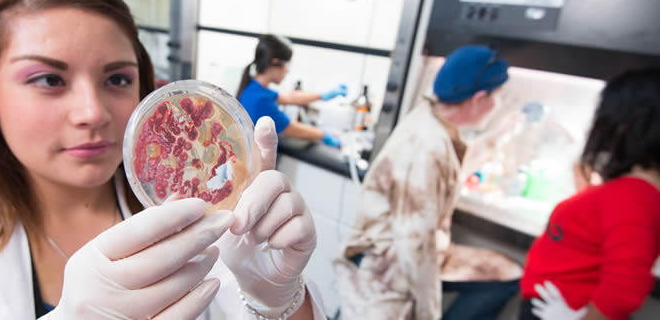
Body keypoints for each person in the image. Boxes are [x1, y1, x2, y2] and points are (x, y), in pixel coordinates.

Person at [0, 0, 325, 319]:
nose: (93, 111)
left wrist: (280, 300)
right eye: (48, 79)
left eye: (117, 78)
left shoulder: (203, 211)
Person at [334, 45, 523, 320]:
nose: (499, 105)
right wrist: (428, 311)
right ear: (480, 98)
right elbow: (415, 244)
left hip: (409, 250)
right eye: (499, 97)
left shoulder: (431, 117)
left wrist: (501, 134)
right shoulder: (428, 145)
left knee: (507, 272)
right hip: (386, 266)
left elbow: (450, 169)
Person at [519, 67, 660, 320]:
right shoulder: (632, 193)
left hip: (564, 310)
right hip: (553, 304)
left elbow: (623, 291)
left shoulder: (634, 199)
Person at [237, 34, 346, 148]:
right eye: (287, 64)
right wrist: (324, 135)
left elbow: (290, 97)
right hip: (256, 163)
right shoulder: (260, 100)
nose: (288, 70)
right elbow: (291, 129)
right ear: (275, 62)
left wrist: (323, 95)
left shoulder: (254, 87)